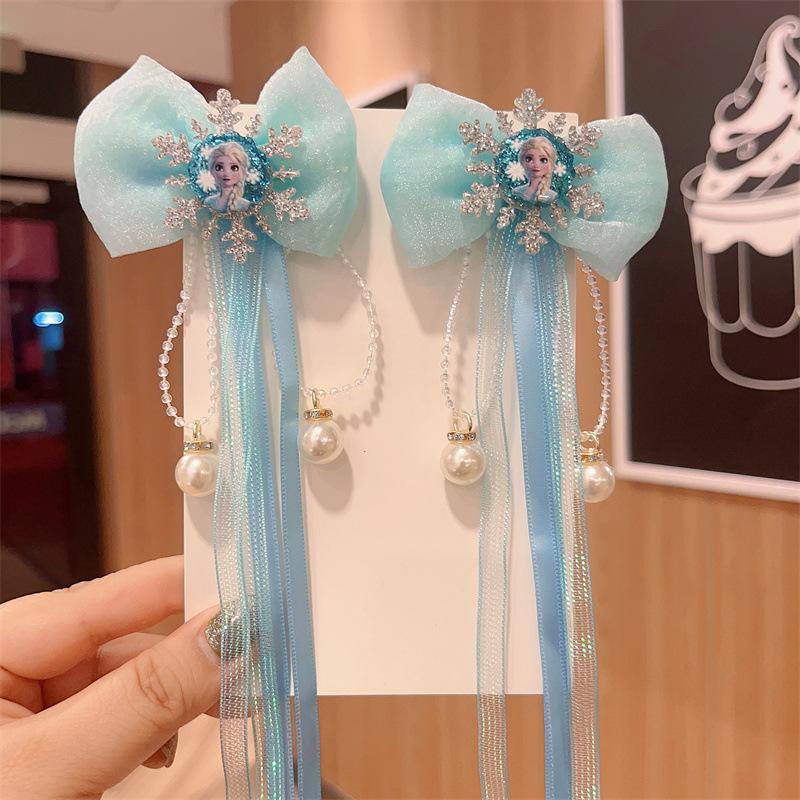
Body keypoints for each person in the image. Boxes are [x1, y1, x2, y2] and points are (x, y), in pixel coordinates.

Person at [203, 142, 251, 212]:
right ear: (212, 172)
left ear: (242, 171)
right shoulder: (209, 202)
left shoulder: (246, 205)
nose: (226, 173)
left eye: (234, 168)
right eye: (219, 168)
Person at [511, 136, 558, 204]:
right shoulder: (517, 192)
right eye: (529, 159)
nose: (536, 165)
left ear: (550, 163)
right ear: (522, 162)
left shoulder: (552, 196)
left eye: (543, 160)